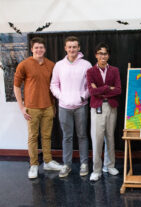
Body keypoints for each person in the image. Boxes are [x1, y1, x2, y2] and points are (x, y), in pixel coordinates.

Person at [14, 37, 62, 179]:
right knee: (33, 137)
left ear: (45, 49)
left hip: (48, 106)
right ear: (31, 49)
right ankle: (34, 164)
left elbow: (54, 86)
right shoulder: (24, 64)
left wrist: (53, 105)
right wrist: (22, 107)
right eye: (36, 48)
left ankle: (47, 161)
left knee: (47, 136)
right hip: (32, 108)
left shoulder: (51, 65)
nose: (39, 50)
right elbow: (16, 86)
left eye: (41, 47)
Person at [50, 36, 92, 178]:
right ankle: (67, 164)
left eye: (74, 47)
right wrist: (61, 97)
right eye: (69, 47)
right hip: (64, 107)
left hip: (81, 106)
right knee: (67, 137)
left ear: (79, 48)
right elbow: (54, 85)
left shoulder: (86, 65)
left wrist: (82, 97)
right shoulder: (59, 65)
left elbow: (90, 86)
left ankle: (84, 163)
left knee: (82, 136)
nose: (72, 49)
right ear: (65, 48)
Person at [86, 42, 121, 181]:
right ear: (96, 55)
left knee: (110, 137)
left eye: (105, 53)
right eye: (100, 53)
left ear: (108, 55)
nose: (103, 56)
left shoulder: (114, 70)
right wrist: (108, 88)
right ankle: (96, 170)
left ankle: (110, 165)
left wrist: (101, 88)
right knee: (97, 138)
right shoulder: (90, 72)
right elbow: (92, 91)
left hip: (111, 107)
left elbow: (118, 90)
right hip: (97, 107)